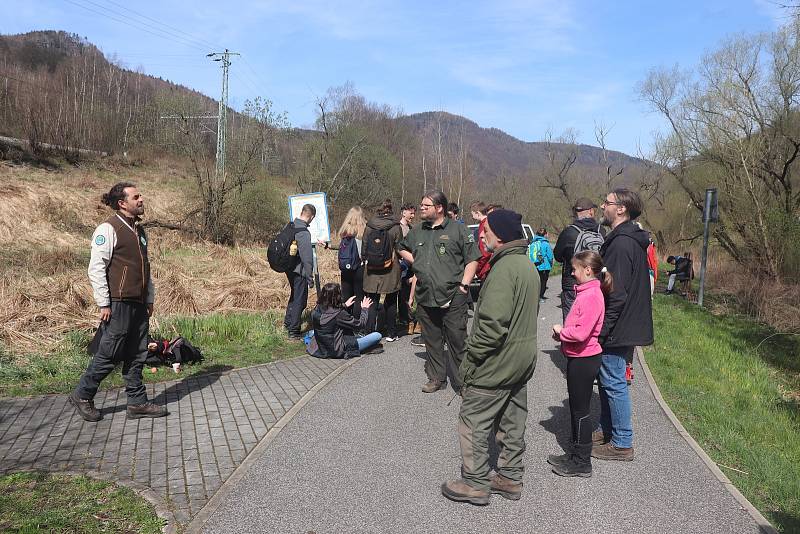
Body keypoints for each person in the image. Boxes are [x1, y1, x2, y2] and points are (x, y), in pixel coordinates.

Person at [441, 209, 539, 505]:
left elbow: (492, 327)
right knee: (512, 417)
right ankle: (510, 476)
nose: (481, 235)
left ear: (500, 235)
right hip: (522, 359)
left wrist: (469, 362)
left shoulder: (503, 270)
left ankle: (475, 483)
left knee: (472, 418)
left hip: (498, 360)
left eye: (486, 231)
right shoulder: (526, 265)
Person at [68, 182, 168, 422]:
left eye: (140, 195)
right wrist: (104, 303)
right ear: (122, 203)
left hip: (138, 304)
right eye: (136, 196)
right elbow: (96, 268)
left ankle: (137, 402)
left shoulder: (139, 231)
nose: (141, 199)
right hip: (118, 303)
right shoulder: (108, 229)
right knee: (110, 353)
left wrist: (149, 298)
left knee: (137, 353)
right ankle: (82, 395)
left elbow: (146, 268)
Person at [592, 188, 654, 461]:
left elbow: (615, 294)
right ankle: (608, 430)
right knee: (607, 380)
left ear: (621, 209)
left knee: (614, 381)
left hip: (618, 325)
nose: (602, 206)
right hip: (625, 323)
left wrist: (602, 330)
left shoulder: (621, 243)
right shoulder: (625, 239)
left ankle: (621, 443)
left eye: (607, 202)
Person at [399, 190, 480, 393]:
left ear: (439, 207)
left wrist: (464, 286)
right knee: (432, 341)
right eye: (421, 205)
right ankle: (437, 378)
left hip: (453, 296)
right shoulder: (417, 231)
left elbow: (473, 259)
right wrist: (415, 260)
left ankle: (463, 383)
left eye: (426, 205)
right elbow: (400, 247)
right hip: (426, 297)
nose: (421, 209)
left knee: (457, 341)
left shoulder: (458, 230)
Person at [548, 251, 614, 477]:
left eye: (575, 269)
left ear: (588, 270)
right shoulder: (586, 293)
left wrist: (561, 331)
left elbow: (582, 332)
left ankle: (582, 461)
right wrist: (565, 336)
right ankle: (575, 453)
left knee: (581, 412)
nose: (572, 272)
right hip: (579, 357)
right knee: (577, 411)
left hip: (585, 359)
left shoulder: (591, 296)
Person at [554, 198, 606, 320]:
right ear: (591, 212)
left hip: (572, 284)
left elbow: (557, 257)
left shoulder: (568, 232)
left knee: (570, 323)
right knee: (591, 322)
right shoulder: (601, 231)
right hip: (595, 283)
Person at [363, 199, 403, 342]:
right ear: (391, 210)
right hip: (390, 268)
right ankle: (391, 333)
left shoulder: (369, 226)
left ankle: (369, 333)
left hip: (372, 268)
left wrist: (365, 260)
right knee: (391, 300)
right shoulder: (395, 226)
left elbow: (364, 247)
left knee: (372, 300)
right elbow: (400, 248)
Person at [307, 283, 381, 358]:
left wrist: (344, 305)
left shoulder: (316, 308)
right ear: (337, 296)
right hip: (337, 349)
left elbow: (330, 310)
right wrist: (364, 309)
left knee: (311, 332)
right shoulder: (339, 314)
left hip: (319, 347)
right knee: (377, 336)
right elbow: (360, 325)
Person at [322, 207, 367, 324]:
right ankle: (357, 323)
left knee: (346, 296)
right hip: (359, 268)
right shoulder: (363, 232)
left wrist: (329, 245)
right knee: (359, 297)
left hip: (345, 269)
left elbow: (342, 247)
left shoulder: (345, 232)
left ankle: (344, 321)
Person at [284, 204, 315, 339]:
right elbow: (307, 258)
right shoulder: (303, 232)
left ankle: (288, 322)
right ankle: (294, 330)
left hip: (288, 267)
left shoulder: (290, 226)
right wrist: (310, 277)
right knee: (300, 299)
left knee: (294, 294)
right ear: (311, 217)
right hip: (299, 270)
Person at [398, 203, 416, 327]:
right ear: (404, 212)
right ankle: (403, 317)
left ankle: (409, 316)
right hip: (401, 264)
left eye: (414, 213)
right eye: (411, 213)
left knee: (409, 289)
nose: (413, 216)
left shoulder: (412, 228)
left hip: (411, 263)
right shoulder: (397, 228)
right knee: (401, 291)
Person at [529, 228, 555, 301]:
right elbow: (550, 256)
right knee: (543, 281)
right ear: (545, 234)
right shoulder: (546, 244)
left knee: (536, 281)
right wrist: (551, 263)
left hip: (535, 265)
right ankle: (540, 296)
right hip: (544, 266)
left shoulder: (533, 243)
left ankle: (534, 296)